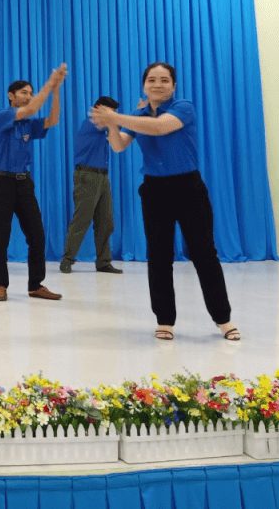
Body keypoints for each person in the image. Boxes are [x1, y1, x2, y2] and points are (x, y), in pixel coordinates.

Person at [90, 62, 240, 342]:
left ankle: (224, 319)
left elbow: (159, 128)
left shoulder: (183, 107)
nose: (157, 84)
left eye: (164, 80)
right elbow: (119, 146)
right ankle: (165, 320)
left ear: (173, 85)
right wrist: (111, 124)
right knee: (158, 256)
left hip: (188, 187)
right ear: (144, 84)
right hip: (154, 190)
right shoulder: (138, 115)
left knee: (204, 254)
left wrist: (115, 116)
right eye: (151, 80)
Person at [0, 66, 67, 303]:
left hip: (24, 184)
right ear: (11, 95)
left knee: (37, 235)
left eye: (31, 93)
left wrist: (56, 91)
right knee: (1, 237)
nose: (29, 96)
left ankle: (35, 285)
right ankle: (0, 285)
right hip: (2, 183)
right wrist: (50, 83)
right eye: (24, 92)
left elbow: (53, 119)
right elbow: (32, 108)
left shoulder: (28, 124)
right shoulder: (2, 115)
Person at [59, 96, 123, 275]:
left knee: (106, 221)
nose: (113, 115)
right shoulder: (93, 122)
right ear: (99, 109)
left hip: (102, 177)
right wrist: (141, 112)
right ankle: (67, 259)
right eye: (110, 112)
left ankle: (103, 262)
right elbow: (118, 124)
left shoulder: (104, 126)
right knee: (82, 219)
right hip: (88, 176)